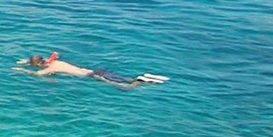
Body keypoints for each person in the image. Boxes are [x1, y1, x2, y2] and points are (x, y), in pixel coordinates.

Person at [15, 52, 168, 89]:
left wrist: (21, 70)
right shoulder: (54, 61)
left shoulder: (50, 68)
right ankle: (145, 77)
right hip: (96, 70)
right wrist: (26, 62)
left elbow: (37, 74)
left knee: (126, 88)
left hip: (93, 76)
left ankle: (142, 80)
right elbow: (43, 61)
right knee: (127, 79)